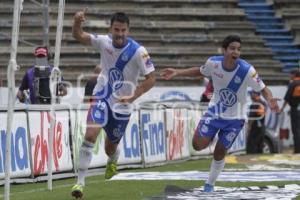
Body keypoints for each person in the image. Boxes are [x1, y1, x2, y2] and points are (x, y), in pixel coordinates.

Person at [161, 35, 279, 192]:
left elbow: (263, 88)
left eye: (238, 49)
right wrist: (177, 72)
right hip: (215, 112)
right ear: (224, 50)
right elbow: (200, 71)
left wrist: (270, 99)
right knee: (197, 145)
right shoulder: (213, 63)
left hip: (235, 119)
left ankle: (209, 184)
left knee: (220, 151)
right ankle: (211, 136)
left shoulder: (247, 70)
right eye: (232, 48)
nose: (235, 52)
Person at [71, 10, 156, 198]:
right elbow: (78, 35)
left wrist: (133, 96)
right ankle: (79, 183)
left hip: (122, 105)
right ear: (111, 29)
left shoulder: (139, 52)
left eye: (123, 30)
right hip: (102, 95)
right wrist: (77, 22)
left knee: (110, 147)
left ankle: (114, 159)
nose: (120, 34)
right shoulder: (104, 42)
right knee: (90, 135)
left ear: (128, 29)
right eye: (116, 29)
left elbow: (151, 79)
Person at [280, 69, 300, 153]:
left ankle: (297, 150)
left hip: (295, 110)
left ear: (294, 75)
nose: (290, 76)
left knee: (296, 130)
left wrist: (281, 109)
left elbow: (287, 99)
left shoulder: (293, 84)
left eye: (291, 74)